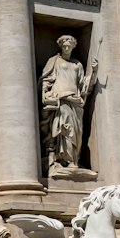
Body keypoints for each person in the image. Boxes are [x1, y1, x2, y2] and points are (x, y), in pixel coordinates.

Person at [40, 35, 98, 171]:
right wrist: (45, 94)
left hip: (76, 101)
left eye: (69, 45)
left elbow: (84, 85)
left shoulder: (77, 64)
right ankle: (66, 160)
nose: (66, 48)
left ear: (73, 46)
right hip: (61, 99)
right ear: (60, 46)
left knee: (77, 132)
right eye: (64, 45)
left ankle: (74, 159)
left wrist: (94, 72)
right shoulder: (54, 61)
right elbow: (46, 80)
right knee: (65, 129)